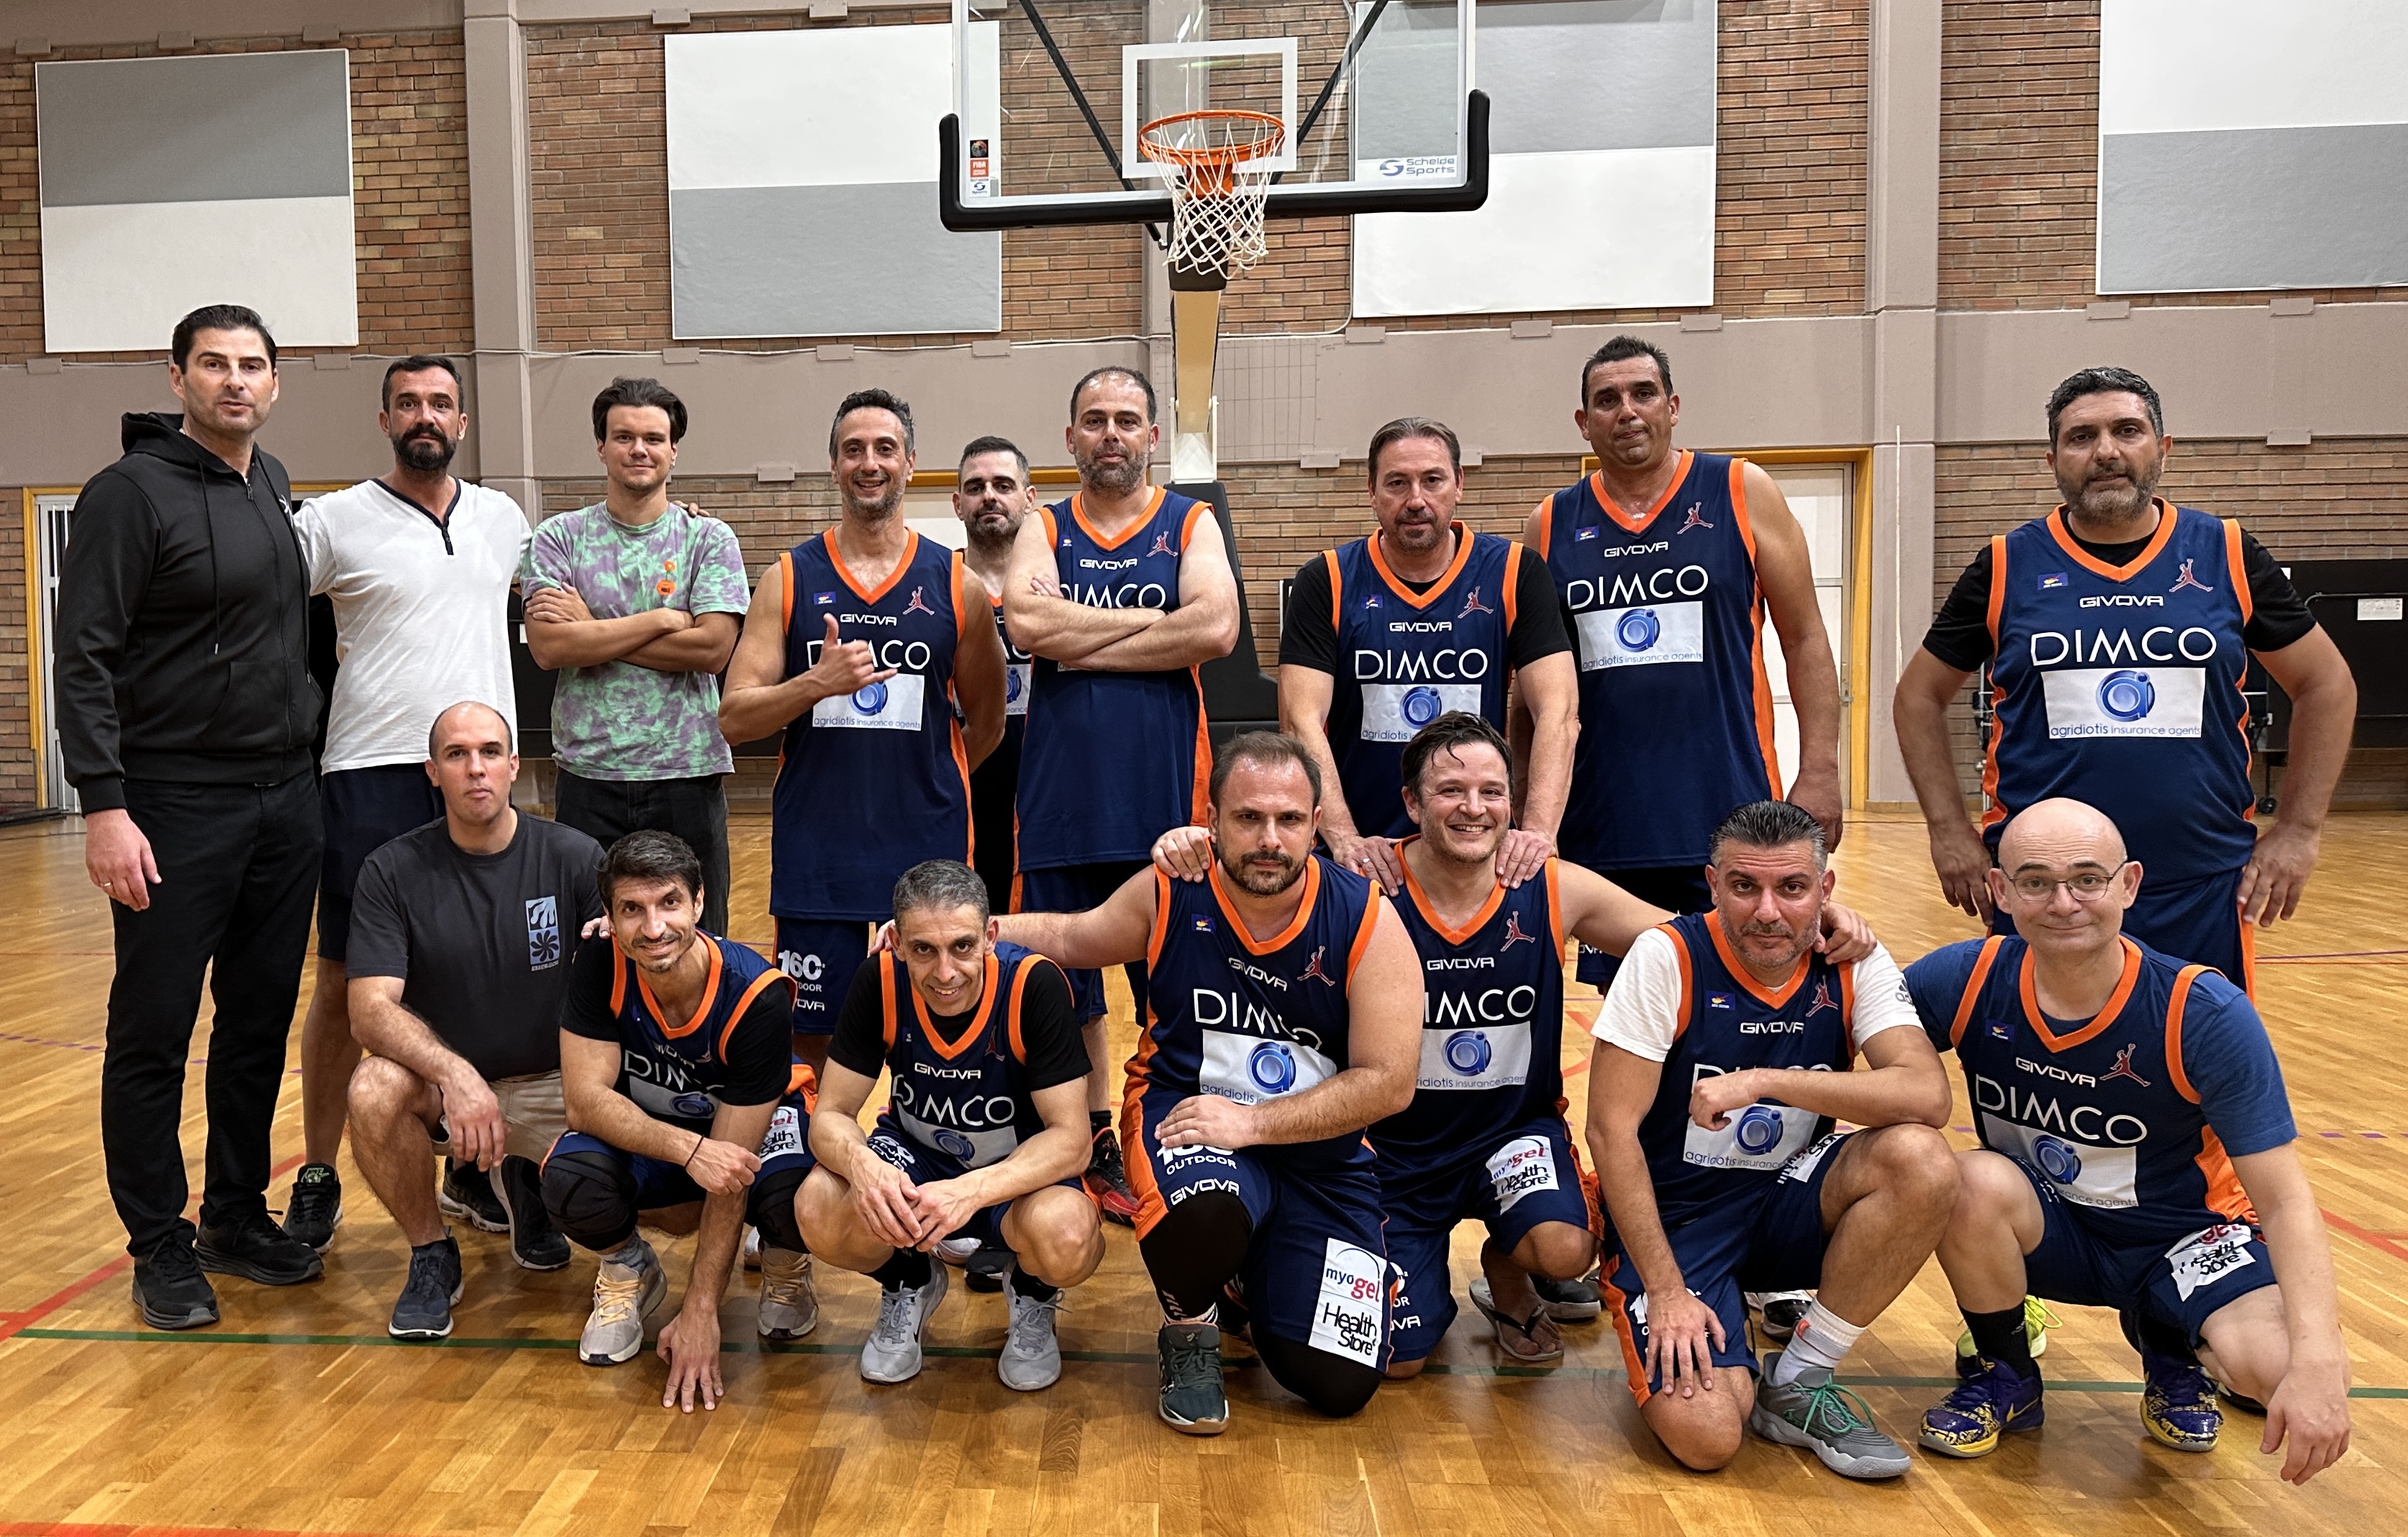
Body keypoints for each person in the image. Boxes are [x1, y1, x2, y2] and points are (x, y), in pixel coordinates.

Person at [1158, 715, 1881, 1375]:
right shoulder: (1368, 884)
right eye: (1450, 790)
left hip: (1510, 1135)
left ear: (1513, 803)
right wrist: (1189, 843)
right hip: (1392, 1150)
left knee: (1566, 1246)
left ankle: (1507, 1273)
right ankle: (1262, 1270)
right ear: (1411, 802)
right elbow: (1258, 874)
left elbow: (1697, 938)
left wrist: (1815, 915)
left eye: (1491, 791)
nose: (1472, 807)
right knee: (1399, 1359)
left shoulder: (1551, 886)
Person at [1904, 798, 2351, 1482]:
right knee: (1963, 1178)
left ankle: (2168, 1341)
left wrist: (2319, 1361)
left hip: (2185, 1241)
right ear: (2000, 891)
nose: (2063, 903)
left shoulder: (2201, 1012)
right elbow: (1841, 1018)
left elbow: (2286, 1200)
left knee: (2282, 1367)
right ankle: (2006, 1373)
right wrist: (1835, 939)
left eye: (2088, 878)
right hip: (2050, 1231)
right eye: (2035, 881)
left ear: (2128, 884)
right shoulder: (1963, 979)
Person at [996, 732, 1422, 1432]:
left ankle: (1249, 1274)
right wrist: (972, 930)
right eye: (1248, 817)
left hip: (1317, 1154)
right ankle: (1189, 1325)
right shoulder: (1172, 889)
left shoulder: (1364, 916)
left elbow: (1388, 1083)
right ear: (1212, 818)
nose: (1269, 839)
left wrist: (1254, 1124)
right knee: (1205, 1212)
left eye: (1288, 819)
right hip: (1188, 1118)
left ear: (1315, 823)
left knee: (1337, 1381)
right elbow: (1076, 939)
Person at [1893, 366, 2359, 991]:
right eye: (2081, 436)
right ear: (2052, 460)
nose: (2106, 451)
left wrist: (2299, 830)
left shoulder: (2225, 552)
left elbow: (2326, 684)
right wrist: (1947, 829)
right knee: (2043, 1045)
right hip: (2045, 887)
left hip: (2198, 881)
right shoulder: (2006, 564)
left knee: (2192, 1047)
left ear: (2161, 448)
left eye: (2126, 431)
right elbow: (1917, 696)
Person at [55, 303, 327, 1329]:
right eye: (213, 364)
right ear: (177, 380)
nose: (234, 381)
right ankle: (158, 1243)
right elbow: (82, 658)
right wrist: (105, 807)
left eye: (252, 365)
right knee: (155, 1029)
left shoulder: (271, 480)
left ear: (274, 382)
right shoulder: (128, 495)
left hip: (284, 798)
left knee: (257, 1022)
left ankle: (234, 1215)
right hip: (172, 803)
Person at [1585, 800, 1958, 1481]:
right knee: (1708, 1434)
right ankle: (1707, 1309)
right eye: (1743, 886)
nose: (1766, 911)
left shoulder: (1852, 961)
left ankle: (1800, 1380)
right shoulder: (1666, 956)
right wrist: (1666, 1291)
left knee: (1920, 1158)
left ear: (1824, 889)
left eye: (1791, 887)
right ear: (1712, 883)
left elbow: (1927, 1096)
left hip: (1787, 1201)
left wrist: (1763, 1081)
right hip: (1676, 1224)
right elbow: (1610, 1134)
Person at [283, 355, 534, 1253]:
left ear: (462, 421)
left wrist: (678, 524)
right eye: (408, 403)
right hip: (371, 772)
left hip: (480, 770)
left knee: (487, 973)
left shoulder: (503, 518)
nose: (425, 415)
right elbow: (254, 588)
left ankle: (472, 1163)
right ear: (385, 418)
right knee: (345, 980)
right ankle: (317, 1171)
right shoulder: (332, 520)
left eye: (440, 403)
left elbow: (577, 569)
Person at [1524, 336, 1845, 995]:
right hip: (1605, 822)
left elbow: (1805, 638)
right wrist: (1531, 813)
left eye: (1642, 394)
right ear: (1583, 422)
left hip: (1729, 808)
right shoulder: (1549, 524)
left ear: (1672, 407)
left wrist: (1819, 767)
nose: (1627, 411)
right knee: (1634, 1010)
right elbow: (1530, 692)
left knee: (1742, 995)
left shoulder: (1741, 490)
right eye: (1606, 400)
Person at [1001, 366, 1241, 1227]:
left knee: (1174, 991)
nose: (1111, 434)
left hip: (1165, 803)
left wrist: (1079, 636)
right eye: (1094, 420)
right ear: (1070, 437)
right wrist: (1156, 628)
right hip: (1059, 803)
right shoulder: (1043, 523)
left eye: (1127, 420)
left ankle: (1177, 1138)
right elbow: (1027, 624)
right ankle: (1082, 1139)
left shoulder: (1189, 521)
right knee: (1058, 997)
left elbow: (1216, 626)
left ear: (1152, 436)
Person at [722, 390, 1007, 1067]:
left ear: (911, 463)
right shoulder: (788, 578)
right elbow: (733, 718)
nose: (869, 462)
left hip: (927, 852)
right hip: (818, 856)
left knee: (939, 1031)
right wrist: (814, 683)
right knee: (811, 1044)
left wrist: (925, 779)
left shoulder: (957, 584)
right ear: (833, 465)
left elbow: (987, 722)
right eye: (853, 450)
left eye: (885, 449)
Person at [342, 702, 600, 1338]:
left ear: (514, 764)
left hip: (556, 1083)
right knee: (372, 1088)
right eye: (456, 755)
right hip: (449, 1093)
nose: (475, 768)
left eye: (488, 752)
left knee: (641, 1160)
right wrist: (455, 1074)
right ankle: (431, 1251)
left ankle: (531, 1181)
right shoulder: (391, 870)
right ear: (433, 772)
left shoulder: (573, 855)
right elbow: (369, 1011)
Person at [542, 831, 820, 1409]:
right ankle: (628, 1267)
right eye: (632, 909)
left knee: (795, 1195)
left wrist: (701, 1311)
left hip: (750, 1135)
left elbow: (730, 1168)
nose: (653, 927)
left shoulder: (756, 995)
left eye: (669, 902)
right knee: (571, 1178)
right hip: (670, 1138)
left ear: (698, 901)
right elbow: (584, 1100)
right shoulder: (599, 961)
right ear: (610, 917)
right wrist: (689, 1151)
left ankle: (784, 1261)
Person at [801, 860, 1103, 1389]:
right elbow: (830, 1116)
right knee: (817, 1206)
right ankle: (908, 1279)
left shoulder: (1033, 985)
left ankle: (1032, 1292)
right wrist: (862, 1164)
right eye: (924, 949)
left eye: (962, 946)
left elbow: (1072, 1141)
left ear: (990, 936)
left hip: (1014, 1176)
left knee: (1068, 1236)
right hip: (915, 1160)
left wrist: (970, 1191)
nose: (945, 972)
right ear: (897, 943)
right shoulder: (880, 981)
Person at [1278, 417, 1576, 888]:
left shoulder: (1515, 571)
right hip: (1365, 858)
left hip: (1476, 854)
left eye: (1432, 480)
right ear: (1372, 491)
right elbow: (1300, 721)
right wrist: (1345, 838)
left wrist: (1537, 832)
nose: (1415, 499)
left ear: (1458, 484)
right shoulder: (1326, 580)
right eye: (1397, 483)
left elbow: (1558, 712)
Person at [524, 378, 750, 938]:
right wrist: (661, 620)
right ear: (601, 447)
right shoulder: (559, 537)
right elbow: (550, 647)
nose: (638, 449)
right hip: (588, 772)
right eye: (623, 437)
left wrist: (591, 626)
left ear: (673, 450)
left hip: (687, 773)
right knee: (591, 943)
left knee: (699, 940)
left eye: (653, 438)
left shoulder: (707, 538)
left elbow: (712, 649)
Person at [953, 437, 1038, 919]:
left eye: (1003, 485)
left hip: (1044, 794)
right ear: (957, 504)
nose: (989, 496)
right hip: (961, 794)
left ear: (1029, 498)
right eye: (975, 487)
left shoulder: (1058, 585)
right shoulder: (937, 585)